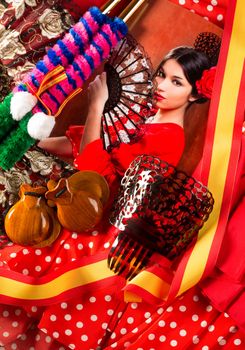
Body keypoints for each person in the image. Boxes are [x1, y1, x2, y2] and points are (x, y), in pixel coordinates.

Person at [0, 46, 244, 349]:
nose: (161, 86)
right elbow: (79, 146)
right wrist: (29, 136)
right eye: (161, 75)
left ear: (195, 94)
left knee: (42, 303)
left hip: (101, 232)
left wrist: (95, 108)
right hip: (79, 217)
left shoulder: (169, 137)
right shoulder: (139, 120)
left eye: (176, 82)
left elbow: (95, 174)